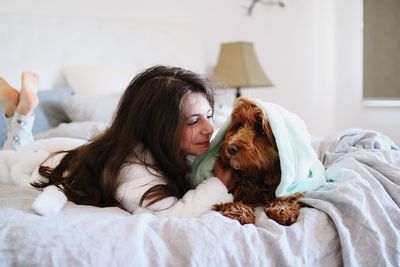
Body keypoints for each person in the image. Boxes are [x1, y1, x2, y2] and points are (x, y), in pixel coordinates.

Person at [0, 66, 233, 217]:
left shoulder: (172, 148)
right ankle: (21, 116)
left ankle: (18, 113)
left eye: (209, 116)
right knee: (14, 159)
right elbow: (174, 215)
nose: (209, 128)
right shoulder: (133, 171)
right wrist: (219, 184)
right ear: (156, 127)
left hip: (75, 151)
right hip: (51, 165)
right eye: (193, 121)